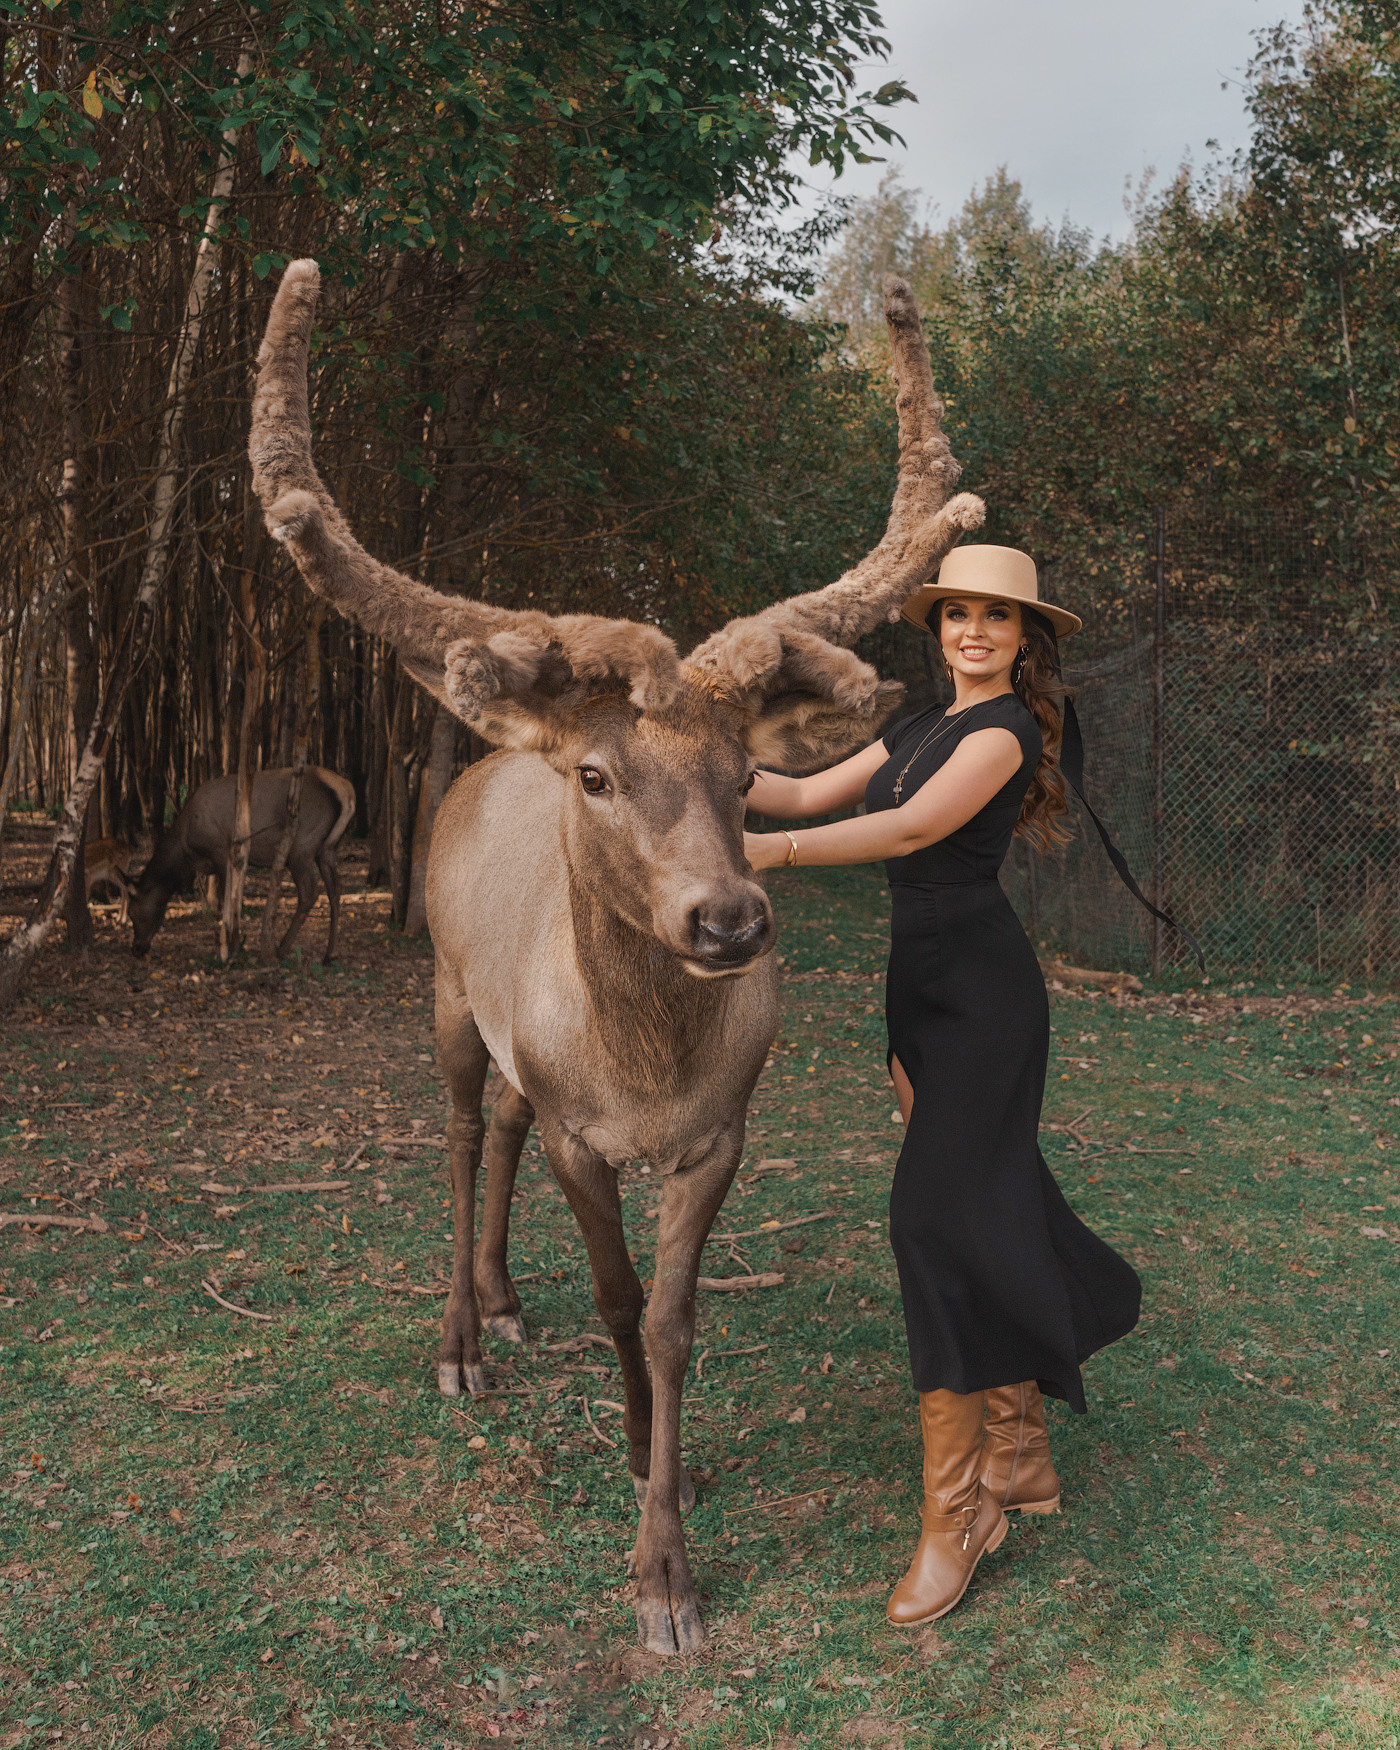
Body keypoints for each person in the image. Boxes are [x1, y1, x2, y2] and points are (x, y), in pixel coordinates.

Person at [744, 544, 1142, 1628]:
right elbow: (793, 788)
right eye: (956, 613)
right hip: (914, 992)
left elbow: (912, 829)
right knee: (983, 1202)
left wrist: (767, 858)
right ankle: (1017, 1458)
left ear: (1024, 639)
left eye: (996, 618)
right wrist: (690, 749)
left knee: (929, 1223)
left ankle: (957, 1514)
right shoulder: (915, 727)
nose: (973, 631)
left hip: (983, 993)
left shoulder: (1002, 731)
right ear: (936, 628)